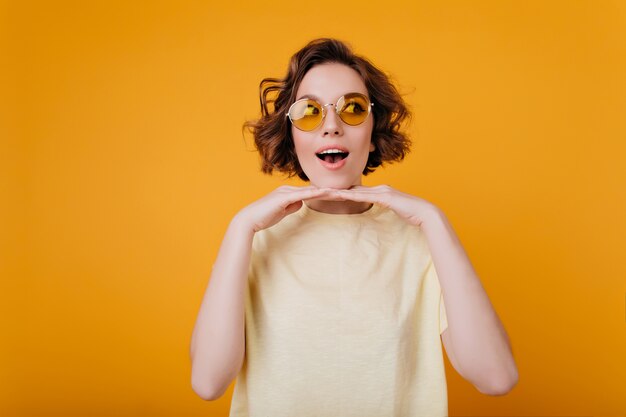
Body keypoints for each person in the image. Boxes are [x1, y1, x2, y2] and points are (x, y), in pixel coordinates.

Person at [189, 38, 518, 417]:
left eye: (353, 108)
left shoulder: (421, 241)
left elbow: (497, 378)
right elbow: (208, 383)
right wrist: (240, 228)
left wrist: (435, 221)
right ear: (291, 134)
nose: (332, 126)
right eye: (310, 111)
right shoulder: (255, 241)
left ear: (373, 126)